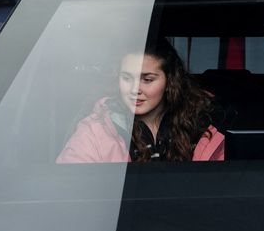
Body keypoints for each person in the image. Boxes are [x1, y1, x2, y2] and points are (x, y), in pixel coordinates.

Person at [57, 38, 224, 163]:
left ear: (169, 82)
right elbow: (69, 192)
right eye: (127, 78)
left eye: (147, 80)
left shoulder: (204, 127)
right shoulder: (95, 132)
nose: (135, 90)